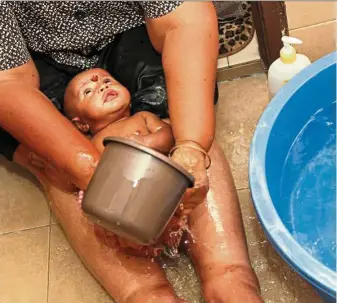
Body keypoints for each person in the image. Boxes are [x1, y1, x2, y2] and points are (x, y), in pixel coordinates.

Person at [0, 2, 263, 302]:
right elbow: (7, 81)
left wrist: (190, 146)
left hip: (129, 31)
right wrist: (93, 175)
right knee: (56, 166)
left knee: (229, 275)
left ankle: (230, 278)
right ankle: (149, 294)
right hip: (36, 61)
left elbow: (184, 20)